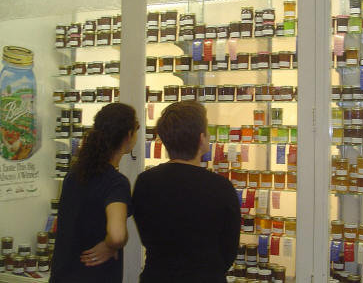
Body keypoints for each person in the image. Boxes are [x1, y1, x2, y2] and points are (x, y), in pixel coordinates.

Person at [133, 101, 240, 283]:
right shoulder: (221, 187)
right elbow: (229, 250)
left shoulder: (145, 181)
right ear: (201, 139)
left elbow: (146, 235)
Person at [50, 103, 139, 283]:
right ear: (129, 135)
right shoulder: (116, 182)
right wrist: (110, 245)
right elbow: (117, 234)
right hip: (95, 274)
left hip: (63, 274)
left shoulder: (74, 175)